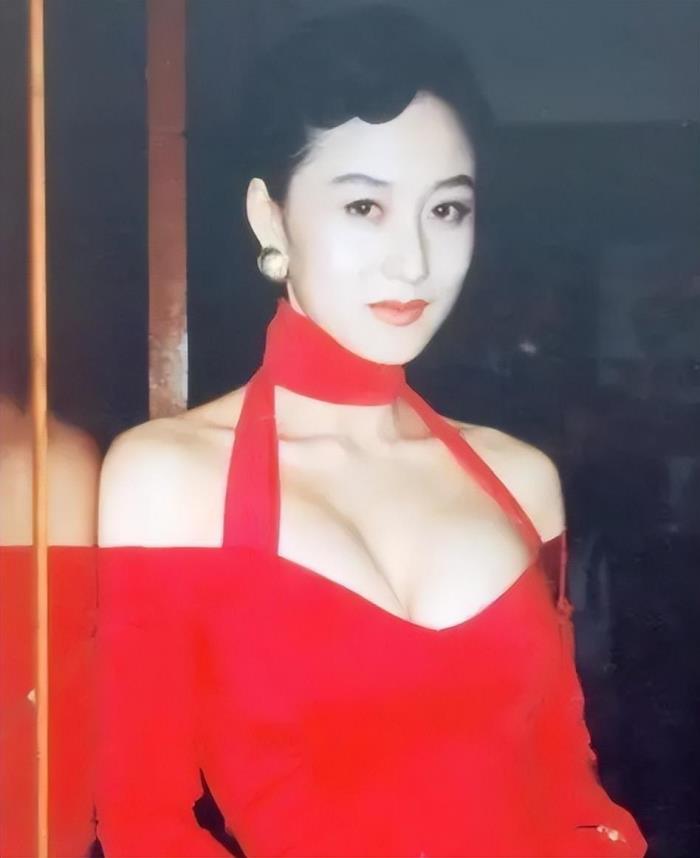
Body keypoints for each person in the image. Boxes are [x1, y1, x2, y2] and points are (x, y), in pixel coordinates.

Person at [95, 6, 646, 856]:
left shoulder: (520, 478)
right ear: (269, 218)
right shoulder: (166, 478)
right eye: (364, 206)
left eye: (447, 210)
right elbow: (145, 822)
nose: (414, 261)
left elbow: (568, 789)